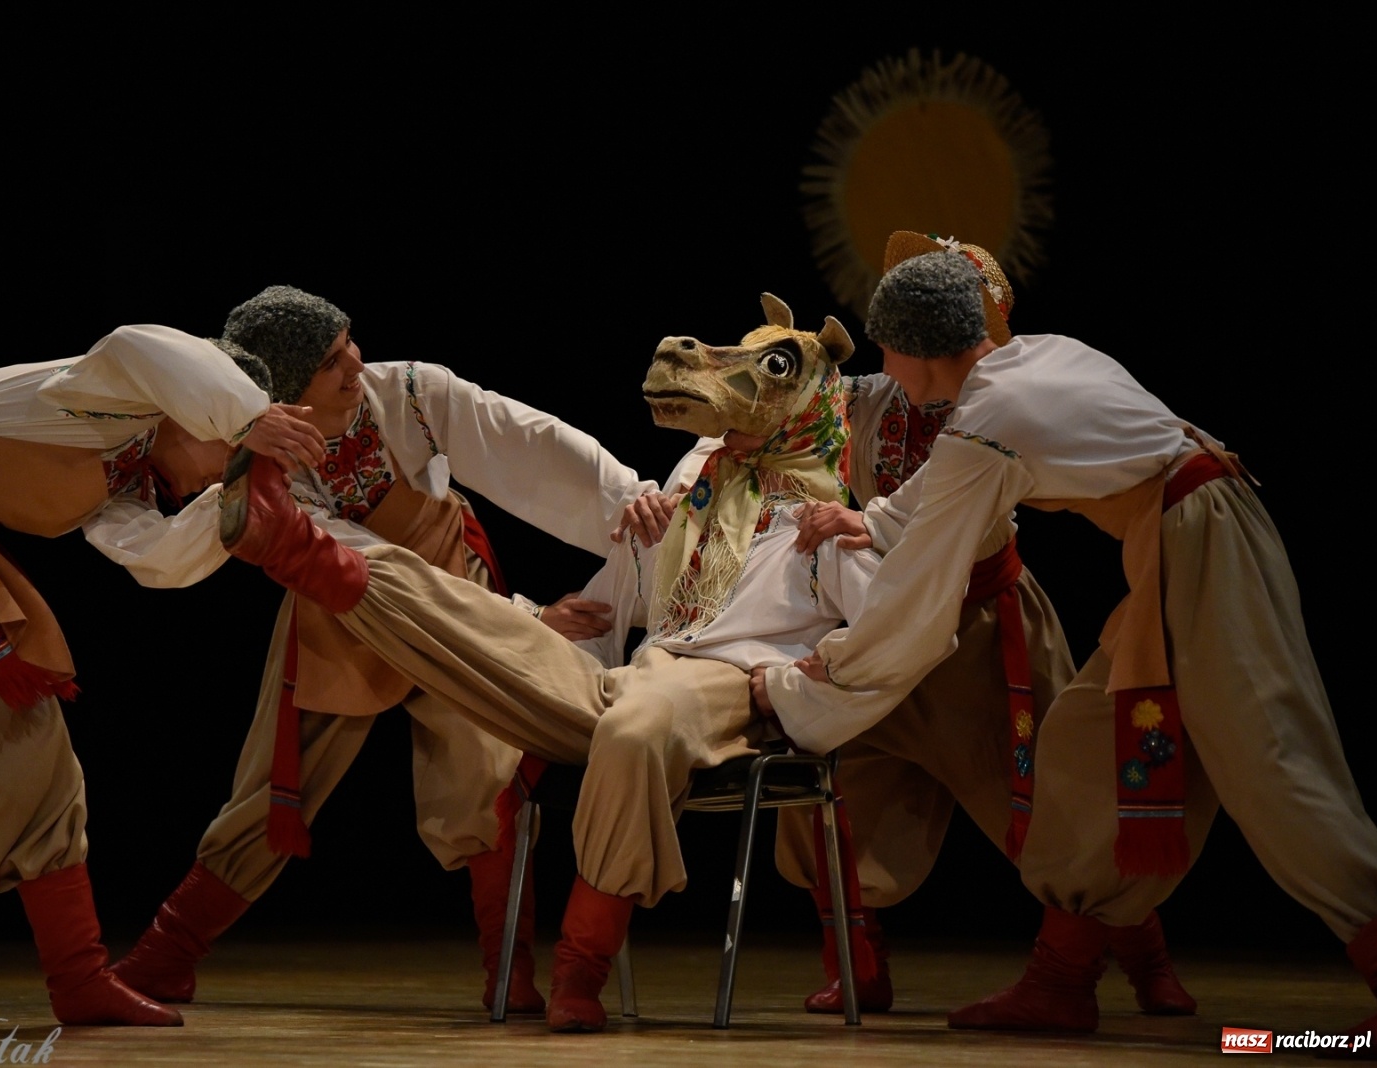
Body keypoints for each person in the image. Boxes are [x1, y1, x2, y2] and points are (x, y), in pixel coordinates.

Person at [213, 294, 915, 1033]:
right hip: (635, 673)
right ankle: (305, 549)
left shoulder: (829, 521)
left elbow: (888, 639)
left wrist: (793, 685)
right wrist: (570, 596)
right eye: (330, 360)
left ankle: (580, 969)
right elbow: (625, 599)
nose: (354, 363)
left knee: (634, 726)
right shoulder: (700, 473)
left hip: (722, 686)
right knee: (492, 631)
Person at [757, 233, 1377, 1045]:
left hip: (1203, 544)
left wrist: (833, 665)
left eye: (886, 342)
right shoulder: (1039, 359)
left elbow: (921, 575)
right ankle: (1062, 979)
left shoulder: (987, 418)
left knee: (1271, 760)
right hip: (1182, 541)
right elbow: (930, 504)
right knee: (1089, 743)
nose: (883, 360)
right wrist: (872, 520)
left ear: (912, 347)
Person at [111, 286, 664, 1017]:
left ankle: (511, 970)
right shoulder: (266, 470)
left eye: (350, 346)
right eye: (330, 362)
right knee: (277, 786)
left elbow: (528, 444)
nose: (355, 366)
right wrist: (519, 620)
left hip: (452, 587)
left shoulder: (411, 393)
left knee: (486, 775)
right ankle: (167, 954)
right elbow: (372, 576)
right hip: (349, 609)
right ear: (286, 389)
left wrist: (628, 501)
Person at [0, 324, 327, 1027]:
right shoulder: (110, 395)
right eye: (228, 458)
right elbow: (143, 343)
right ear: (202, 412)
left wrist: (243, 513)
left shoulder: (126, 475)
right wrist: (251, 415)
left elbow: (156, 558)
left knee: (33, 765)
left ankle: (78, 980)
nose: (213, 478)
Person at [760, 244, 1191, 1019]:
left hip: (982, 635)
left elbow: (938, 531)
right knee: (827, 789)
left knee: (1046, 809)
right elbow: (765, 406)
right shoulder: (866, 398)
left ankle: (1137, 960)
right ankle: (856, 967)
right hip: (882, 622)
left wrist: (847, 618)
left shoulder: (988, 408)